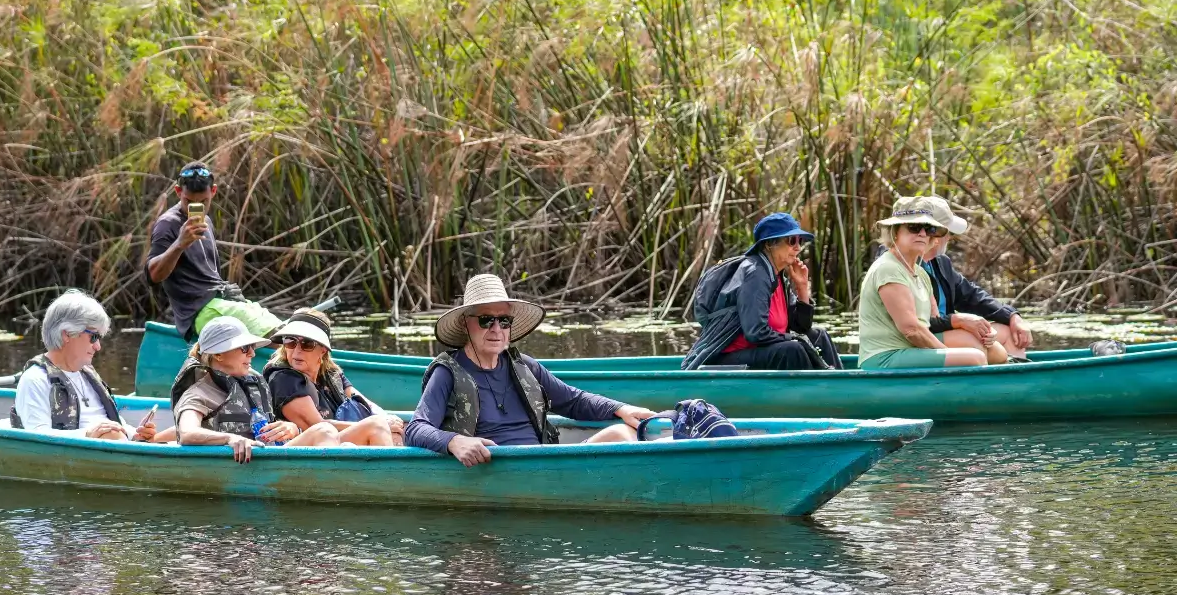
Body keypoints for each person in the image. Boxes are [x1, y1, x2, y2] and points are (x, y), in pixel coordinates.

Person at [404, 275, 655, 466]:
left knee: (626, 432)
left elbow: (574, 401)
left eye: (504, 321)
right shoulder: (447, 372)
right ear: (465, 323)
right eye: (486, 320)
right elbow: (416, 429)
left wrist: (621, 408)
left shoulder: (524, 366)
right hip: (493, 470)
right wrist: (454, 442)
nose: (496, 329)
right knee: (622, 435)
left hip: (547, 464)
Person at [682, 213, 843, 371]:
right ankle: (818, 386)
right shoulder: (755, 274)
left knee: (820, 336)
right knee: (792, 349)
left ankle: (836, 381)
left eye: (799, 241)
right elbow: (756, 332)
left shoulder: (777, 276)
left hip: (757, 352)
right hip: (728, 359)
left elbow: (802, 326)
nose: (798, 247)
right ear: (769, 244)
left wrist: (802, 288)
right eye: (791, 241)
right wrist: (794, 338)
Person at [171, 315, 340, 462]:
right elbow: (187, 433)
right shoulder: (199, 393)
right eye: (245, 348)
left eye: (251, 347)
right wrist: (229, 439)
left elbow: (268, 426)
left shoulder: (254, 383)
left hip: (267, 459)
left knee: (339, 441)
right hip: (242, 467)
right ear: (218, 354)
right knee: (324, 431)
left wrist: (292, 428)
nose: (252, 353)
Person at [147, 161, 280, 341]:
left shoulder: (206, 221)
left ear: (213, 191)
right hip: (200, 312)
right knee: (275, 336)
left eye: (203, 202)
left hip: (220, 301)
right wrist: (179, 244)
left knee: (280, 328)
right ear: (178, 192)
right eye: (189, 201)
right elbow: (153, 275)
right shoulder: (167, 224)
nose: (197, 207)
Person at [11, 290, 163, 441]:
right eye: (94, 337)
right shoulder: (35, 379)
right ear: (67, 334)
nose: (98, 346)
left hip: (112, 446)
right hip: (79, 453)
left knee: (169, 433)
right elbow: (36, 436)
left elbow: (108, 422)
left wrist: (135, 433)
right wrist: (86, 435)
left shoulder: (87, 375)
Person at [857, 201, 987, 370]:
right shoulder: (888, 268)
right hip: (884, 357)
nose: (922, 233)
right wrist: (946, 353)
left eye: (928, 228)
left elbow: (933, 321)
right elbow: (911, 329)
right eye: (914, 227)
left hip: (910, 350)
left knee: (980, 350)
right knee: (974, 358)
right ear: (895, 232)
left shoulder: (920, 272)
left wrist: (969, 326)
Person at [915, 195, 1032, 362]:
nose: (950, 238)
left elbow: (972, 296)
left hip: (948, 330)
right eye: (947, 232)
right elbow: (912, 322)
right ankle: (1003, 368)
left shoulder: (941, 262)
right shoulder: (901, 264)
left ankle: (1016, 375)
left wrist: (1013, 316)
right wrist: (959, 321)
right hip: (925, 335)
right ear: (934, 232)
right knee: (973, 340)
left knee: (1011, 333)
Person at [263, 308, 404, 445]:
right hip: (313, 447)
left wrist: (387, 418)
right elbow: (317, 426)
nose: (297, 350)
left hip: (339, 442)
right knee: (377, 427)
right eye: (290, 342)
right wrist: (381, 424)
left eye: (307, 344)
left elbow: (366, 403)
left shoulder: (331, 374)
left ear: (323, 349)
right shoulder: (283, 379)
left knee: (393, 431)